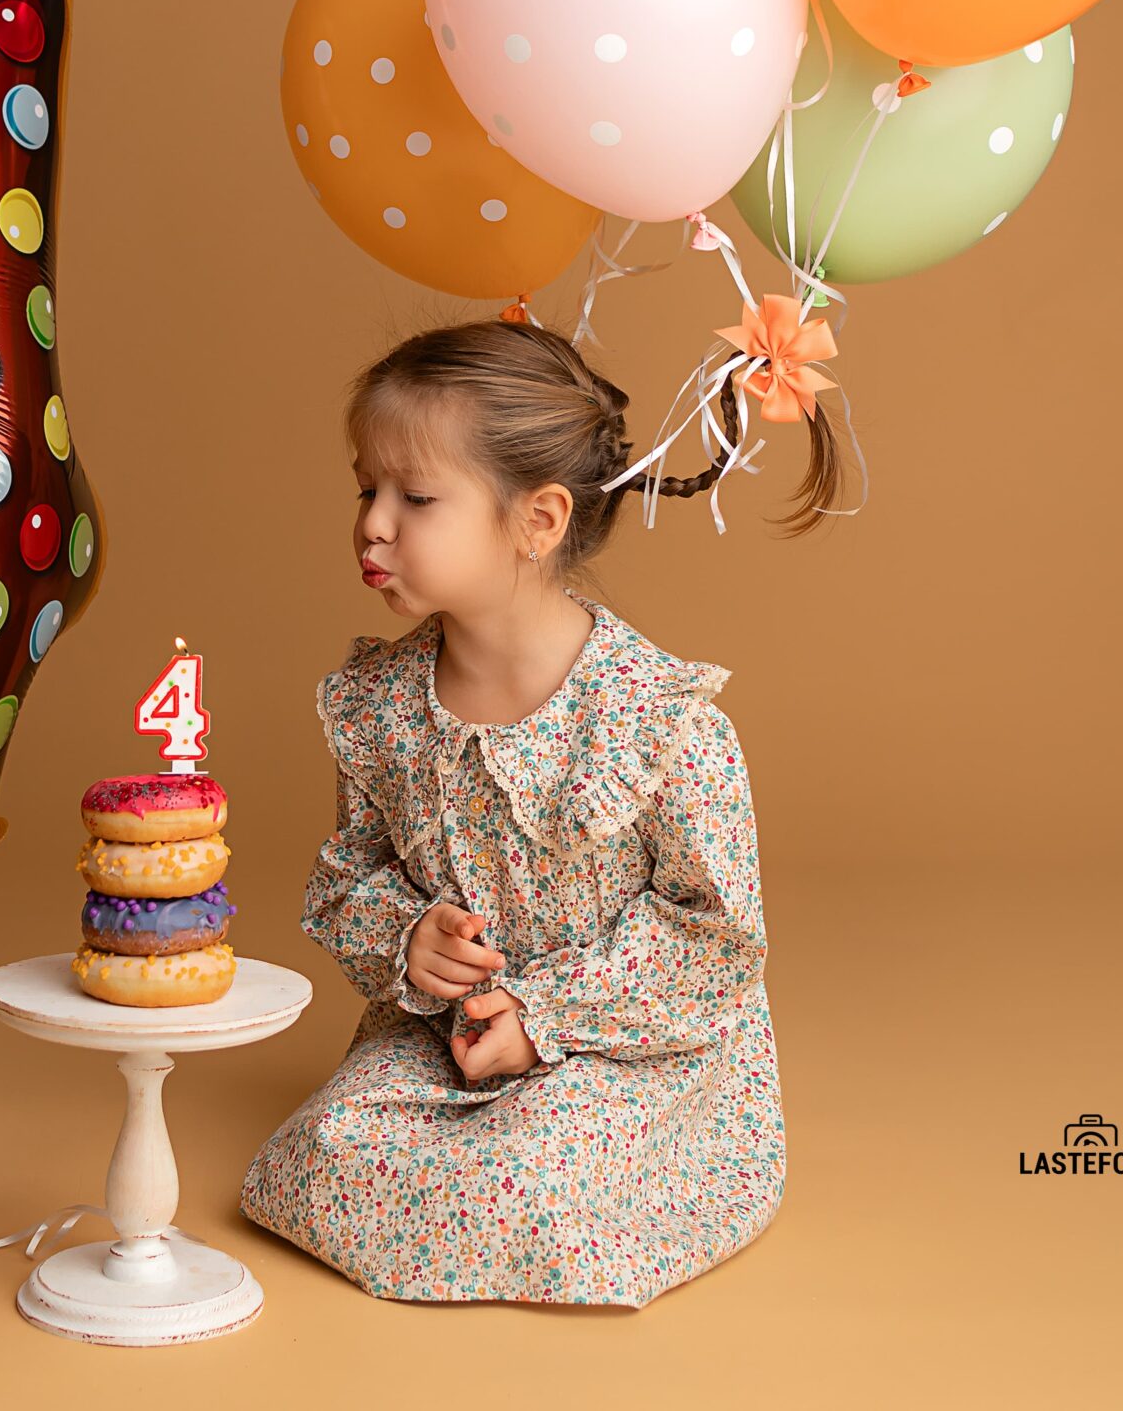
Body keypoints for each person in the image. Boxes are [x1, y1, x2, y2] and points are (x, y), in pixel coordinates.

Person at [237, 315, 833, 1305]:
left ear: (538, 521)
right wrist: (409, 938)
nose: (372, 525)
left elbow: (712, 941)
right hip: (446, 1038)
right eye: (365, 489)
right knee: (325, 1155)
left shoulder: (653, 724)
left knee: (537, 1181)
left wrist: (545, 1017)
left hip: (628, 1042)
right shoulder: (380, 708)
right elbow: (349, 877)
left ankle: (563, 1173)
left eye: (415, 497)